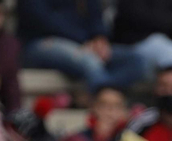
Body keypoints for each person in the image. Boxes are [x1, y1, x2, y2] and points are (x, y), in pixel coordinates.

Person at [17, 0, 149, 92]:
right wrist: (82, 40)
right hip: (41, 43)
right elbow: (41, 20)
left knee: (137, 61)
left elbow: (95, 14)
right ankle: (104, 105)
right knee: (90, 62)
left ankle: (98, 92)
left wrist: (99, 37)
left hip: (84, 44)